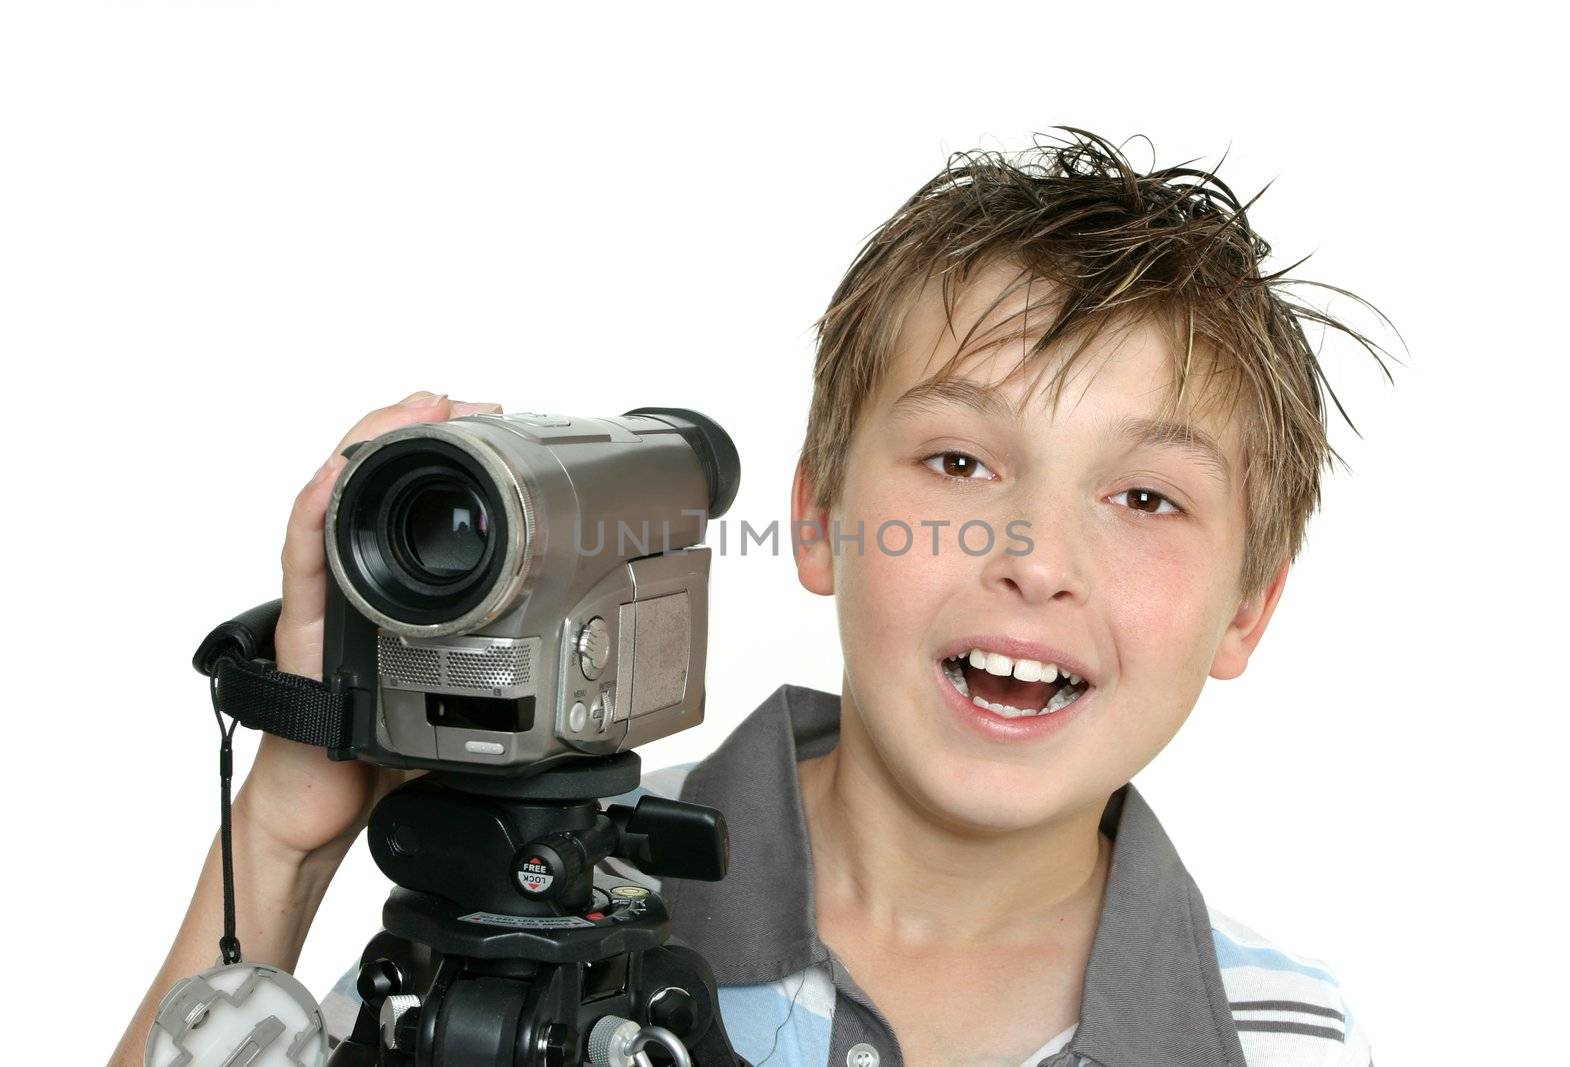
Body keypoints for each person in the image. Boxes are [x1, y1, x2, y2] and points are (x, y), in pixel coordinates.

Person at [113, 128, 1391, 1067]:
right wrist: (283, 833)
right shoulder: (533, 901)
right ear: (823, 516)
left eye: (1146, 499)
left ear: (1246, 609)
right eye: (957, 461)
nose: (1036, 557)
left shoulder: (1282, 1032)